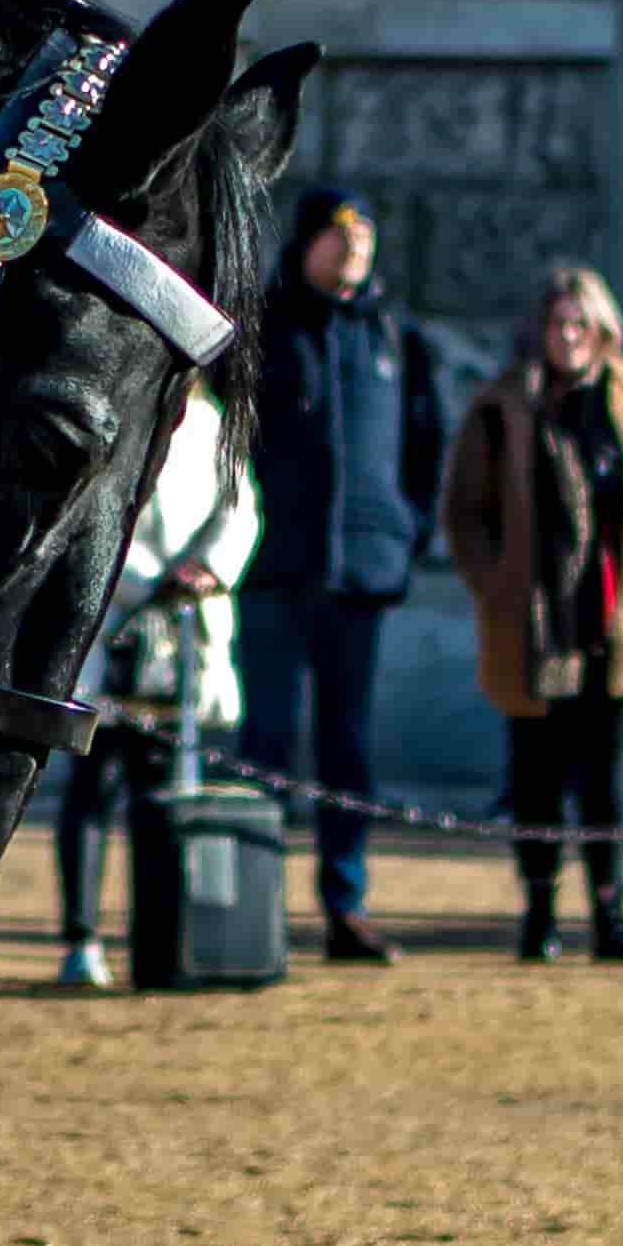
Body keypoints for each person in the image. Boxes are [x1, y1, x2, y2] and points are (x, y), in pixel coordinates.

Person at [440, 262, 623, 966]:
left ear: (603, 328)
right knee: (537, 778)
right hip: (533, 624)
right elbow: (464, 511)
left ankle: (613, 916)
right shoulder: (504, 403)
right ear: (540, 330)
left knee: (615, 781)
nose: (569, 337)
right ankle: (539, 914)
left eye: (581, 323)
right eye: (558, 324)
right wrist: (493, 582)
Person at [238, 189, 441, 964]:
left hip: (362, 579)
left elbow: (427, 443)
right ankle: (252, 908)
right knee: (266, 745)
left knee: (349, 749)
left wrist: (404, 531)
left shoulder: (396, 336)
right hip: (273, 573)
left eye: (365, 235)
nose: (354, 248)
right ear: (306, 244)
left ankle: (345, 905)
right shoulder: (261, 328)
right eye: (337, 235)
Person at [43, 390, 257, 988]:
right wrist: (143, 584)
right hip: (110, 632)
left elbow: (240, 511)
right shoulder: (107, 408)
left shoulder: (217, 421)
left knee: (166, 800)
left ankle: (164, 940)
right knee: (92, 793)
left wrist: (202, 570)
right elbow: (82, 515)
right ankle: (81, 940)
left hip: (186, 638)